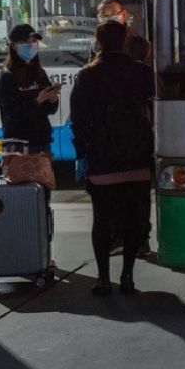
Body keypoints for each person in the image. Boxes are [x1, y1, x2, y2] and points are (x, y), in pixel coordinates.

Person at [70, 21, 155, 296]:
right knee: (132, 219)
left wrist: (81, 155)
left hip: (102, 158)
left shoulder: (87, 75)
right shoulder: (142, 73)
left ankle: (103, 279)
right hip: (136, 159)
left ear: (98, 42)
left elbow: (78, 121)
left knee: (102, 220)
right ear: (125, 41)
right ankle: (128, 276)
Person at [94, 0, 153, 256]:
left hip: (135, 130)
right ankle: (118, 237)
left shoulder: (141, 46)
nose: (109, 18)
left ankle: (140, 238)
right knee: (113, 192)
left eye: (113, 14)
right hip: (107, 134)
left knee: (138, 192)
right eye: (103, 15)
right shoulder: (95, 49)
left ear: (124, 15)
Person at [0, 24, 60, 174]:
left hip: (41, 141)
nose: (32, 45)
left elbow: (49, 110)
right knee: (20, 186)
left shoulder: (39, 72)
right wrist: (37, 101)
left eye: (34, 41)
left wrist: (52, 99)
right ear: (14, 45)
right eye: (26, 42)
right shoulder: (7, 76)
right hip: (18, 144)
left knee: (43, 185)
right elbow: (13, 112)